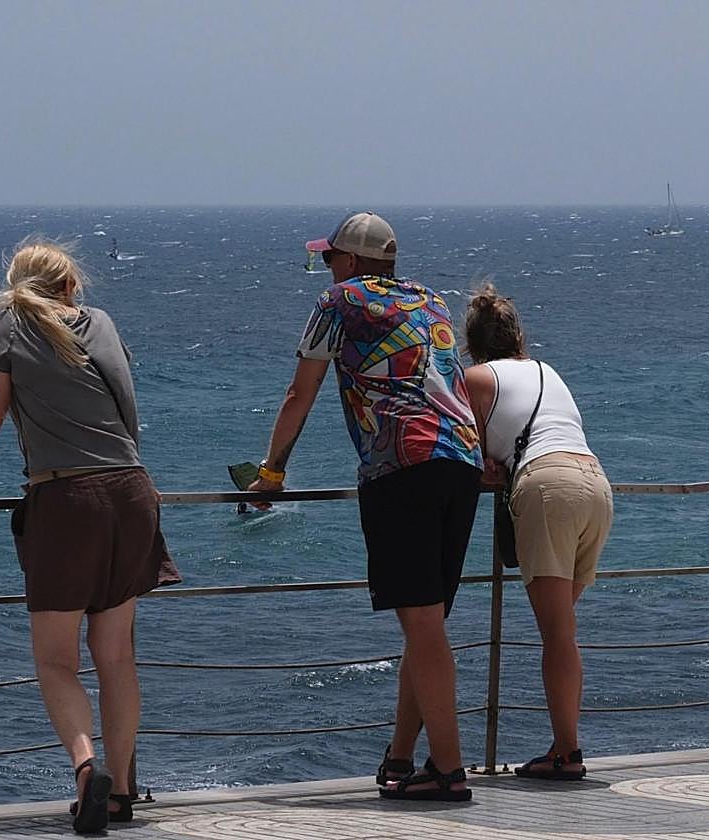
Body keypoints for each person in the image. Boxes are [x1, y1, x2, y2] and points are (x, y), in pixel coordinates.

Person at [0, 237, 180, 834]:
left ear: (20, 284)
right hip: (133, 492)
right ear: (70, 285)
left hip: (66, 500)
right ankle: (123, 788)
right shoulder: (103, 323)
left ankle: (88, 773)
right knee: (115, 656)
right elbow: (127, 405)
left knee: (56, 660)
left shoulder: (11, 328)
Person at [248, 212, 483, 802]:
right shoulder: (432, 299)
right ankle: (403, 758)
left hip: (402, 464)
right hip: (463, 462)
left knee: (423, 623)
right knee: (424, 622)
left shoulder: (339, 301)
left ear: (349, 262)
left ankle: (449, 770)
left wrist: (272, 471)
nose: (326, 267)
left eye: (330, 257)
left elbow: (299, 391)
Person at [462, 284, 613, 781]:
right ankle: (563, 745)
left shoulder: (478, 378)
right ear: (518, 335)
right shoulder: (549, 372)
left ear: (472, 342)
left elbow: (469, 451)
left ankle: (567, 752)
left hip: (548, 485)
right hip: (595, 484)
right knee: (563, 630)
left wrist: (486, 469)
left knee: (558, 636)